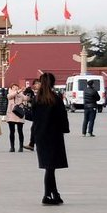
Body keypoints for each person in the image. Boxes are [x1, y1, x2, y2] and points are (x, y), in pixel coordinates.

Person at [31, 72, 69, 205]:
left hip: (41, 135)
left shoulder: (36, 99)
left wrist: (33, 138)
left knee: (49, 166)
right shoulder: (55, 98)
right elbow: (62, 116)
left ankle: (55, 193)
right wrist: (65, 129)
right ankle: (47, 195)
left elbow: (34, 118)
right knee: (50, 167)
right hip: (54, 135)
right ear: (52, 83)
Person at [6, 84, 27, 152]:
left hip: (19, 114)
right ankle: (12, 147)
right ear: (11, 88)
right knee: (12, 131)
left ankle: (21, 147)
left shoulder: (21, 94)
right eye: (14, 87)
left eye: (17, 87)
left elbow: (26, 98)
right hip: (11, 114)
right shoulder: (9, 93)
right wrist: (18, 91)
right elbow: (10, 96)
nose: (15, 88)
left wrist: (27, 93)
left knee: (20, 131)